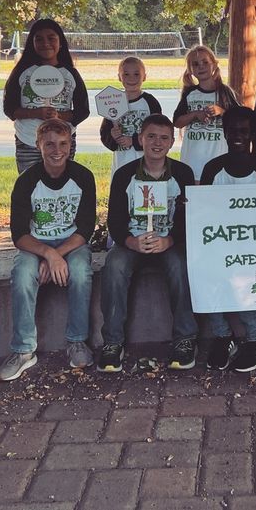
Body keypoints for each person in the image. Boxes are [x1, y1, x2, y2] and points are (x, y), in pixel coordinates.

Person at [0, 119, 96, 381]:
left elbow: (85, 229)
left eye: (63, 143)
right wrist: (47, 254)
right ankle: (24, 350)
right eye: (49, 143)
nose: (57, 150)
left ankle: (77, 341)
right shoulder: (27, 181)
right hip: (36, 245)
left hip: (71, 244)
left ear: (71, 146)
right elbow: (19, 234)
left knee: (81, 271)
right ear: (37, 144)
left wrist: (58, 254)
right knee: (22, 275)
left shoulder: (83, 177)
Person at [98, 114, 198, 372]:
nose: (157, 143)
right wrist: (130, 242)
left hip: (167, 242)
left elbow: (190, 218)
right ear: (140, 139)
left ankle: (185, 339)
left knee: (180, 265)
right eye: (151, 136)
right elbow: (116, 219)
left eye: (164, 138)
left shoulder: (183, 173)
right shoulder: (124, 175)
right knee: (115, 265)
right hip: (133, 240)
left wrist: (170, 240)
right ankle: (112, 342)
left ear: (172, 142)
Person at [199, 106, 256, 372]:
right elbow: (204, 214)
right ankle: (223, 336)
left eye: (244, 131)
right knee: (204, 270)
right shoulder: (213, 169)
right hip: (220, 246)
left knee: (239, 272)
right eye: (232, 130)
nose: (237, 136)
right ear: (223, 132)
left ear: (253, 134)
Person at [2, 19, 90, 173]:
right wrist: (37, 113)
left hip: (61, 142)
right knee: (29, 187)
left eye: (51, 38)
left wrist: (59, 115)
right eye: (39, 39)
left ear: (60, 42)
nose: (45, 43)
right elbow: (10, 109)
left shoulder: (70, 74)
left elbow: (82, 111)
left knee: (61, 185)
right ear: (32, 43)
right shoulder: (22, 72)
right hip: (28, 140)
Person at [173, 45, 238, 182]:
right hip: (193, 159)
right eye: (195, 64)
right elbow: (177, 122)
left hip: (219, 158)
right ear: (190, 70)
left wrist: (221, 111)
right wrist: (195, 114)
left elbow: (239, 120)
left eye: (205, 62)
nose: (200, 67)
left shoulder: (225, 92)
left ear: (214, 64)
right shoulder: (190, 93)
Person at [99, 56, 163, 174]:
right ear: (119, 77)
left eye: (137, 74)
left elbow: (160, 131)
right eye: (126, 74)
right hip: (121, 163)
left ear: (144, 77)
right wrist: (112, 136)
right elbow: (104, 134)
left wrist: (133, 141)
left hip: (147, 164)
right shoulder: (113, 101)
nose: (131, 78)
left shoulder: (150, 102)